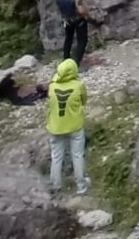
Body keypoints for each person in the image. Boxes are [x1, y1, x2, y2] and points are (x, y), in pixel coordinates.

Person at [46, 58, 89, 195]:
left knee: (56, 157)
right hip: (75, 126)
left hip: (55, 127)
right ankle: (81, 186)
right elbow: (84, 100)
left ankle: (55, 186)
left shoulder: (52, 86)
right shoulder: (79, 85)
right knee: (77, 155)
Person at [56, 0, 91, 67]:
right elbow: (81, 10)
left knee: (68, 39)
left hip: (66, 20)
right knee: (82, 40)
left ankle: (65, 59)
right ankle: (76, 63)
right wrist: (87, 14)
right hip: (78, 20)